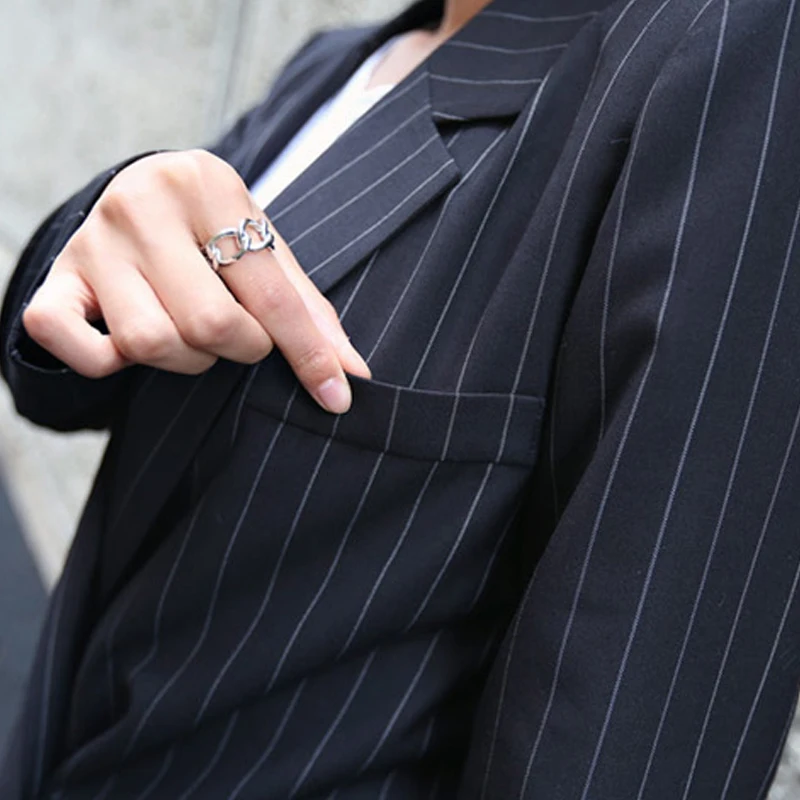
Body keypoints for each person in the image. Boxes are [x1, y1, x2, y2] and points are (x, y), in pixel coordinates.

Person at [2, 0, 800, 796]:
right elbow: (71, 382)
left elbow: (635, 715)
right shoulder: (337, 64)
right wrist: (104, 217)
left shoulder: (725, 48)